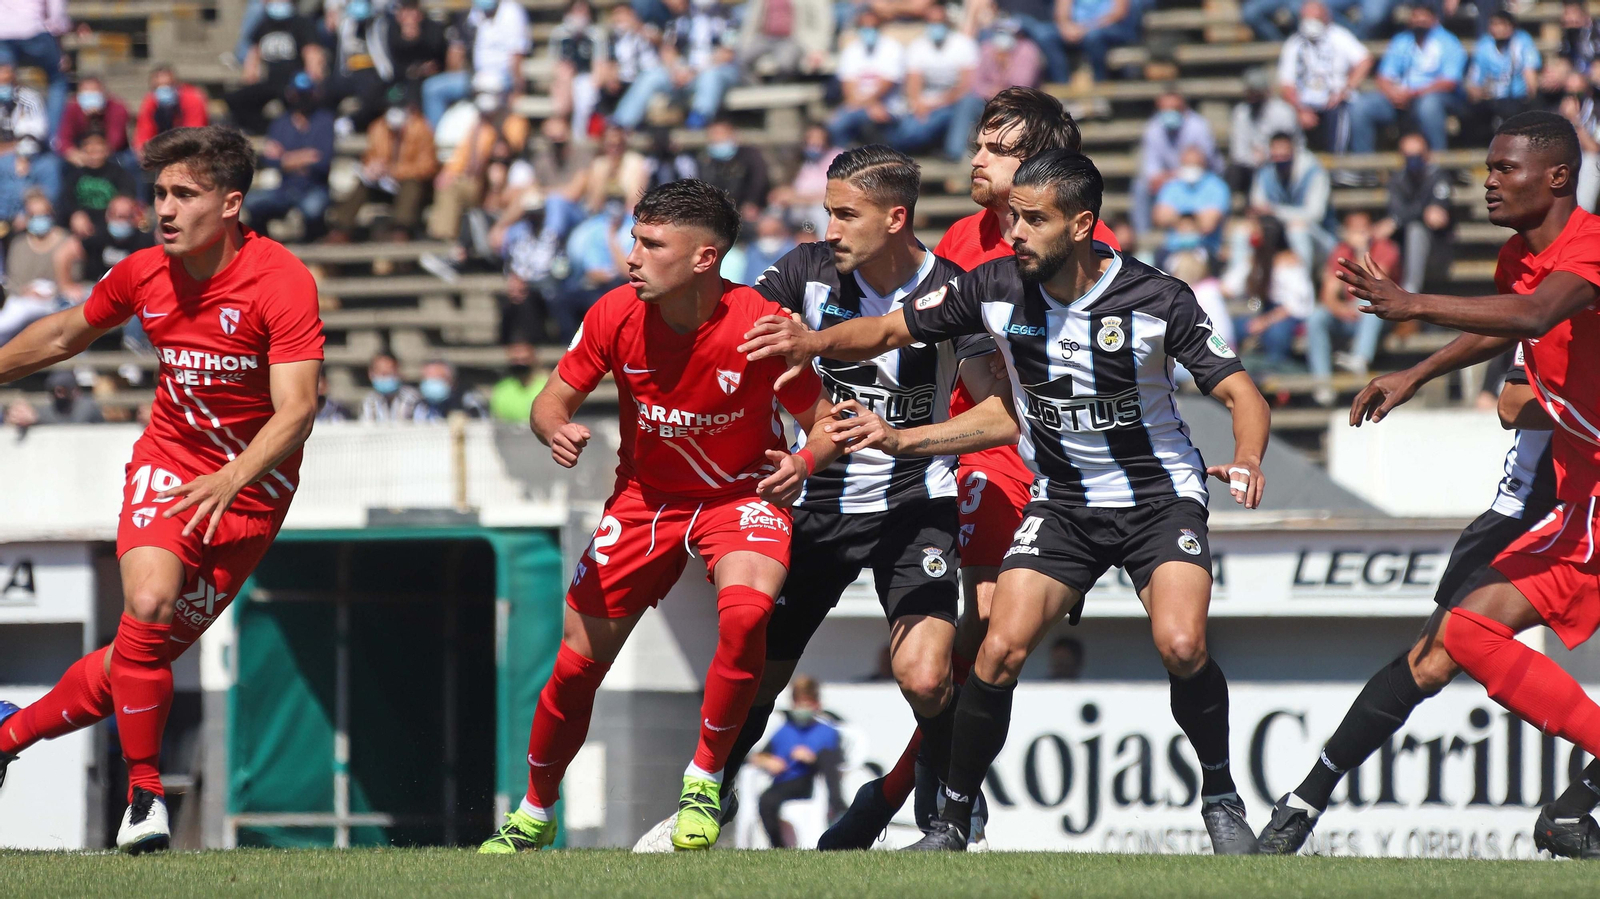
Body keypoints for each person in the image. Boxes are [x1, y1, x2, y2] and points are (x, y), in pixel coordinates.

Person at [741, 149, 1272, 854]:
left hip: (1157, 499)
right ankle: (951, 821)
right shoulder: (990, 287)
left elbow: (1241, 392)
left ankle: (1220, 794)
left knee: (1181, 643)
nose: (1014, 232)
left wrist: (1248, 456)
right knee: (995, 654)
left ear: (1082, 224)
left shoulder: (1157, 298)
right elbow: (891, 329)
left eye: (1032, 219)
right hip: (1063, 505)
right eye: (1013, 217)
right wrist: (814, 342)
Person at [1264, 111, 1600, 861]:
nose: (1486, 181)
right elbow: (1513, 324)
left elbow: (1541, 313)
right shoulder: (1521, 257)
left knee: (1447, 645)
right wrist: (1416, 372)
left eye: (1503, 168)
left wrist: (1414, 305)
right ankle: (1306, 798)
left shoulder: (1593, 248)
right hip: (1577, 502)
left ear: (1557, 178)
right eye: (1485, 166)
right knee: (1455, 640)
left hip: (1576, 500)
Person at [477, 179, 840, 854]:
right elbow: (550, 400)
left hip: (742, 495)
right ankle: (534, 809)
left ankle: (704, 780)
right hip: (646, 498)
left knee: (748, 612)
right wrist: (554, 426)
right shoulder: (615, 314)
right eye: (635, 238)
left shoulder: (760, 324)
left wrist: (805, 462)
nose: (631, 256)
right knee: (576, 665)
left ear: (704, 257)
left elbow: (821, 424)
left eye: (650, 243)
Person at [0, 125, 323, 854]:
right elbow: (60, 336)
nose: (165, 210)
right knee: (145, 603)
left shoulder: (282, 281)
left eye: (185, 194)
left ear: (231, 203)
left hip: (250, 494)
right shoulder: (144, 271)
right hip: (171, 466)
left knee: (134, 655)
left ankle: (7, 734)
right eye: (159, 195)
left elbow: (299, 408)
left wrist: (234, 477)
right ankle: (144, 797)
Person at [815, 88, 1120, 850]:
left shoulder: (1084, 244)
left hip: (1046, 466)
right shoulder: (959, 232)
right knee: (969, 642)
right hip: (970, 450)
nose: (976, 155)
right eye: (979, 140)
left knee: (983, 644)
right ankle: (938, 803)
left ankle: (917, 797)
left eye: (997, 145)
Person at [672, 145, 1000, 848]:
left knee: (927, 675)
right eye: (827, 211)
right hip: (817, 502)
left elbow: (1001, 414)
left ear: (895, 217)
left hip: (917, 506)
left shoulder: (953, 292)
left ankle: (946, 814)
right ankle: (709, 798)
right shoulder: (803, 272)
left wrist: (906, 441)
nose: (829, 228)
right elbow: (730, 334)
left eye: (845, 214)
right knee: (761, 673)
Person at [1305, 210, 1397, 406]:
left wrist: (1361, 252)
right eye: (1355, 231)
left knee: (1371, 302)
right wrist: (1340, 309)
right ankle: (1322, 383)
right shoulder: (1340, 251)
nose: (1359, 234)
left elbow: (1377, 286)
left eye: (1363, 230)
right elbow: (1327, 295)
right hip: (1350, 314)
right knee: (1316, 317)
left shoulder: (1386, 249)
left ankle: (1360, 358)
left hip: (1382, 316)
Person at [1348, 2, 1466, 153]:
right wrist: (1392, 93)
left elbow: (1449, 81)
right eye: (1415, 15)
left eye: (1423, 15)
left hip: (1434, 97)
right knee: (1361, 106)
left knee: (1428, 106)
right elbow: (1384, 75)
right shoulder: (1402, 40)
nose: (1419, 20)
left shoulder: (1448, 42)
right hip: (1399, 98)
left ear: (1434, 18)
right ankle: (1363, 165)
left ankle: (1438, 161)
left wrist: (1414, 93)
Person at [610, 0, 740, 131]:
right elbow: (668, 49)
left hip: (714, 70)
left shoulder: (728, 15)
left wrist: (695, 71)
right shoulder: (679, 18)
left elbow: (727, 52)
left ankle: (699, 119)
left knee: (711, 77)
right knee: (652, 75)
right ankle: (621, 123)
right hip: (684, 74)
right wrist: (676, 69)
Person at [329, 87, 436, 242]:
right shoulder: (378, 127)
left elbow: (428, 166)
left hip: (413, 186)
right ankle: (340, 230)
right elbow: (370, 156)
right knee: (363, 184)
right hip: (384, 185)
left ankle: (401, 232)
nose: (394, 112)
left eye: (399, 107)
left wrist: (394, 171)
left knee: (411, 186)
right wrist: (371, 168)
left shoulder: (422, 128)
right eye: (391, 107)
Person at [752, 675, 842, 848]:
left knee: (768, 800)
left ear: (817, 704)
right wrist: (768, 761)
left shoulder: (827, 732)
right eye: (799, 702)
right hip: (782, 781)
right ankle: (778, 847)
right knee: (766, 801)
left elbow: (835, 764)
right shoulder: (785, 730)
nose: (802, 708)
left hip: (806, 782)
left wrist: (812, 758)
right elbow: (758, 756)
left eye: (806, 703)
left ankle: (837, 812)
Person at [245, 76, 335, 242]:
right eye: (298, 94)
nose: (302, 99)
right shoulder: (281, 123)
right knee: (252, 203)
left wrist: (285, 158)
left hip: (314, 187)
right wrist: (305, 156)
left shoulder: (324, 120)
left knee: (313, 209)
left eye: (306, 94)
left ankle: (312, 251)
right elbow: (270, 160)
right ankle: (265, 248)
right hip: (285, 188)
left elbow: (323, 161)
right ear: (290, 94)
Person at [1278, 2, 1371, 160]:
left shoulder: (1340, 36)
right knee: (1283, 114)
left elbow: (1364, 60)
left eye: (1315, 18)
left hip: (1335, 101)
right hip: (1305, 104)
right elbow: (1286, 84)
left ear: (1326, 17)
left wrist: (1346, 89)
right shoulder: (1293, 44)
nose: (1310, 23)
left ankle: (1337, 163)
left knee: (1344, 110)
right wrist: (1300, 110)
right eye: (1306, 18)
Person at [889, 5, 977, 161]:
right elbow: (913, 83)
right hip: (926, 105)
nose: (935, 26)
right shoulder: (918, 47)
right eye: (931, 22)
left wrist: (937, 104)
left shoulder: (963, 45)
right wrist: (918, 104)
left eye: (939, 22)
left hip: (953, 104)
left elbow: (966, 85)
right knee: (909, 132)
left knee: (967, 103)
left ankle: (953, 152)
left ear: (947, 23)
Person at [421, 0, 528, 126]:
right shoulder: (473, 12)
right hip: (474, 76)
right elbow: (457, 49)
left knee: (488, 96)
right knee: (432, 88)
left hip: (502, 79)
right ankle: (436, 138)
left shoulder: (511, 11)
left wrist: (517, 89)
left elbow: (516, 55)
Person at [227, 0, 324, 135]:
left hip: (294, 83)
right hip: (272, 81)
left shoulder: (301, 23)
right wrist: (250, 74)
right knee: (237, 100)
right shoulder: (264, 24)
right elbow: (254, 53)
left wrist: (312, 78)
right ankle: (269, 129)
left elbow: (311, 53)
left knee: (299, 103)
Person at [1132, 90, 1217, 239]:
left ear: (1183, 107)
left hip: (1200, 177)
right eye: (1165, 109)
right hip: (1169, 180)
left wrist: (1175, 175)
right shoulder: (1153, 128)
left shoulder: (1198, 126)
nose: (1170, 113)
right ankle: (1143, 237)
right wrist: (1164, 177)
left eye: (1174, 108)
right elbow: (1151, 168)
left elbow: (1204, 161)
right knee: (1140, 186)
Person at [1379, 131, 1455, 294]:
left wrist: (1399, 219)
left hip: (1436, 247)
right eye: (1408, 155)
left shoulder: (1439, 177)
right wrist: (1416, 213)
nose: (1413, 160)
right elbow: (1394, 212)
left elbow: (1436, 217)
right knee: (1378, 236)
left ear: (1427, 153)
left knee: (1416, 229)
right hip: (1401, 244)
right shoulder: (1398, 179)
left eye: (1417, 155)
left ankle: (1410, 291)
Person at [1241, 215, 1314, 370]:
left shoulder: (1290, 263)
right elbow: (1231, 285)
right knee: (1236, 326)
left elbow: (1297, 304)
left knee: (1276, 333)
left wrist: (1265, 321)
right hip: (1265, 308)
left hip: (1287, 315)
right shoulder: (1258, 259)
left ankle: (1280, 372)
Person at [1250, 132, 1331, 268]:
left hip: (1320, 238)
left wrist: (1275, 211)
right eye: (1276, 152)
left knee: (1297, 229)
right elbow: (1258, 206)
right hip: (1278, 236)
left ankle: (1303, 286)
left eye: (1284, 152)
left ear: (1294, 151)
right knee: (1245, 232)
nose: (1280, 158)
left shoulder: (1314, 173)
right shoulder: (1265, 173)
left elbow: (1316, 214)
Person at [0, 189, 71, 345]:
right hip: (25, 300)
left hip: (56, 300)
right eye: (33, 215)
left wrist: (55, 291)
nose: (39, 219)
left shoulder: (66, 241)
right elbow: (12, 280)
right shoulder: (18, 244)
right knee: (10, 317)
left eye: (43, 215)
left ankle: (80, 365)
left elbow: (73, 278)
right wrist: (25, 291)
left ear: (51, 215)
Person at [826, 11, 906, 147]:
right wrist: (868, 106)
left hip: (888, 108)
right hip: (859, 107)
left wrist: (866, 104)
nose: (869, 31)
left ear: (880, 28)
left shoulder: (893, 49)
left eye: (873, 27)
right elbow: (848, 88)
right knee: (834, 125)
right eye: (865, 27)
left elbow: (887, 84)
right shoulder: (851, 51)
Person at [59, 194, 156, 303]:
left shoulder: (144, 241)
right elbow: (65, 253)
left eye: (126, 217)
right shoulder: (98, 236)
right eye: (117, 216)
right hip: (95, 290)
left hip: (131, 294)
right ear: (108, 216)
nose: (121, 222)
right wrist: (67, 285)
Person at [1463, 11, 1541, 145]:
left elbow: (1530, 77)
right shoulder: (1484, 46)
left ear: (1511, 26)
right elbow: (1474, 81)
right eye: (1495, 24)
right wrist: (1479, 94)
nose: (1498, 29)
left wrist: (1531, 97)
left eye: (1502, 24)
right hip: (1492, 99)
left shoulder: (1522, 42)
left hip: (1518, 99)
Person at [1228, 67, 1302, 196]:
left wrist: (1266, 154)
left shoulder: (1283, 112)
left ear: (1267, 92)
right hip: (1251, 167)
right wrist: (1256, 159)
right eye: (1251, 93)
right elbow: (1238, 153)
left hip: (1281, 163)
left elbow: (1286, 147)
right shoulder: (1241, 113)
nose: (1253, 98)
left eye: (1257, 93)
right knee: (1233, 172)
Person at [0, 0, 70, 132]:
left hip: (2, 32)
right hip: (33, 29)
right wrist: (59, 39)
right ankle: (52, 137)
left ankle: (8, 133)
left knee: (3, 82)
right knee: (57, 79)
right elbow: (57, 12)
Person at [1152, 146, 1231, 255]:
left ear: (1203, 164)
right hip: (1173, 249)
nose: (1190, 168)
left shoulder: (1217, 187)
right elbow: (1160, 217)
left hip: (1206, 248)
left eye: (1194, 165)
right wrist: (1196, 218)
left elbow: (1209, 224)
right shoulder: (1171, 186)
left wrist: (1178, 218)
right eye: (1187, 164)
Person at [60, 131, 137, 240]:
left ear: (107, 149)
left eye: (98, 146)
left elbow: (126, 197)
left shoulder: (120, 174)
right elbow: (66, 201)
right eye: (89, 146)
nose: (94, 150)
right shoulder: (73, 176)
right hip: (81, 232)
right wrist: (76, 214)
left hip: (112, 230)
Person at [737, 0, 832, 80]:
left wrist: (818, 48)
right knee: (741, 58)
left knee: (785, 64)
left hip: (792, 40)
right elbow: (751, 22)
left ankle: (775, 91)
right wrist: (744, 43)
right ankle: (757, 91)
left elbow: (822, 23)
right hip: (764, 38)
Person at [698, 118, 770, 220]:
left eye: (721, 134)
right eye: (713, 135)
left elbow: (759, 180)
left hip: (749, 211)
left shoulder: (750, 155)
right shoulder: (705, 161)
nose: (717, 139)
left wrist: (752, 202)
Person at [134, 66, 210, 155]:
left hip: (189, 148)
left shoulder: (192, 98)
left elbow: (195, 131)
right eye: (159, 87)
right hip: (160, 148)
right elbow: (144, 131)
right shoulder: (150, 101)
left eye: (168, 85)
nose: (164, 90)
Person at [1057, 0, 1137, 83]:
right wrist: (1066, 27)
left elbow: (1118, 13)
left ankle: (1100, 82)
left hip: (1108, 28)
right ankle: (1060, 83)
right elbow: (1062, 14)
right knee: (1045, 36)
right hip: (1075, 29)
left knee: (1093, 37)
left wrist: (1086, 28)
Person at [489, 343, 547, 424]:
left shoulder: (547, 387)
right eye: (516, 360)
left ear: (534, 359)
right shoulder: (501, 390)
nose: (520, 364)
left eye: (524, 360)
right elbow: (498, 422)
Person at [360, 352, 422, 422]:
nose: (385, 378)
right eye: (381, 373)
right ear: (371, 374)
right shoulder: (369, 400)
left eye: (389, 373)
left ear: (398, 372)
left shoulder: (413, 399)